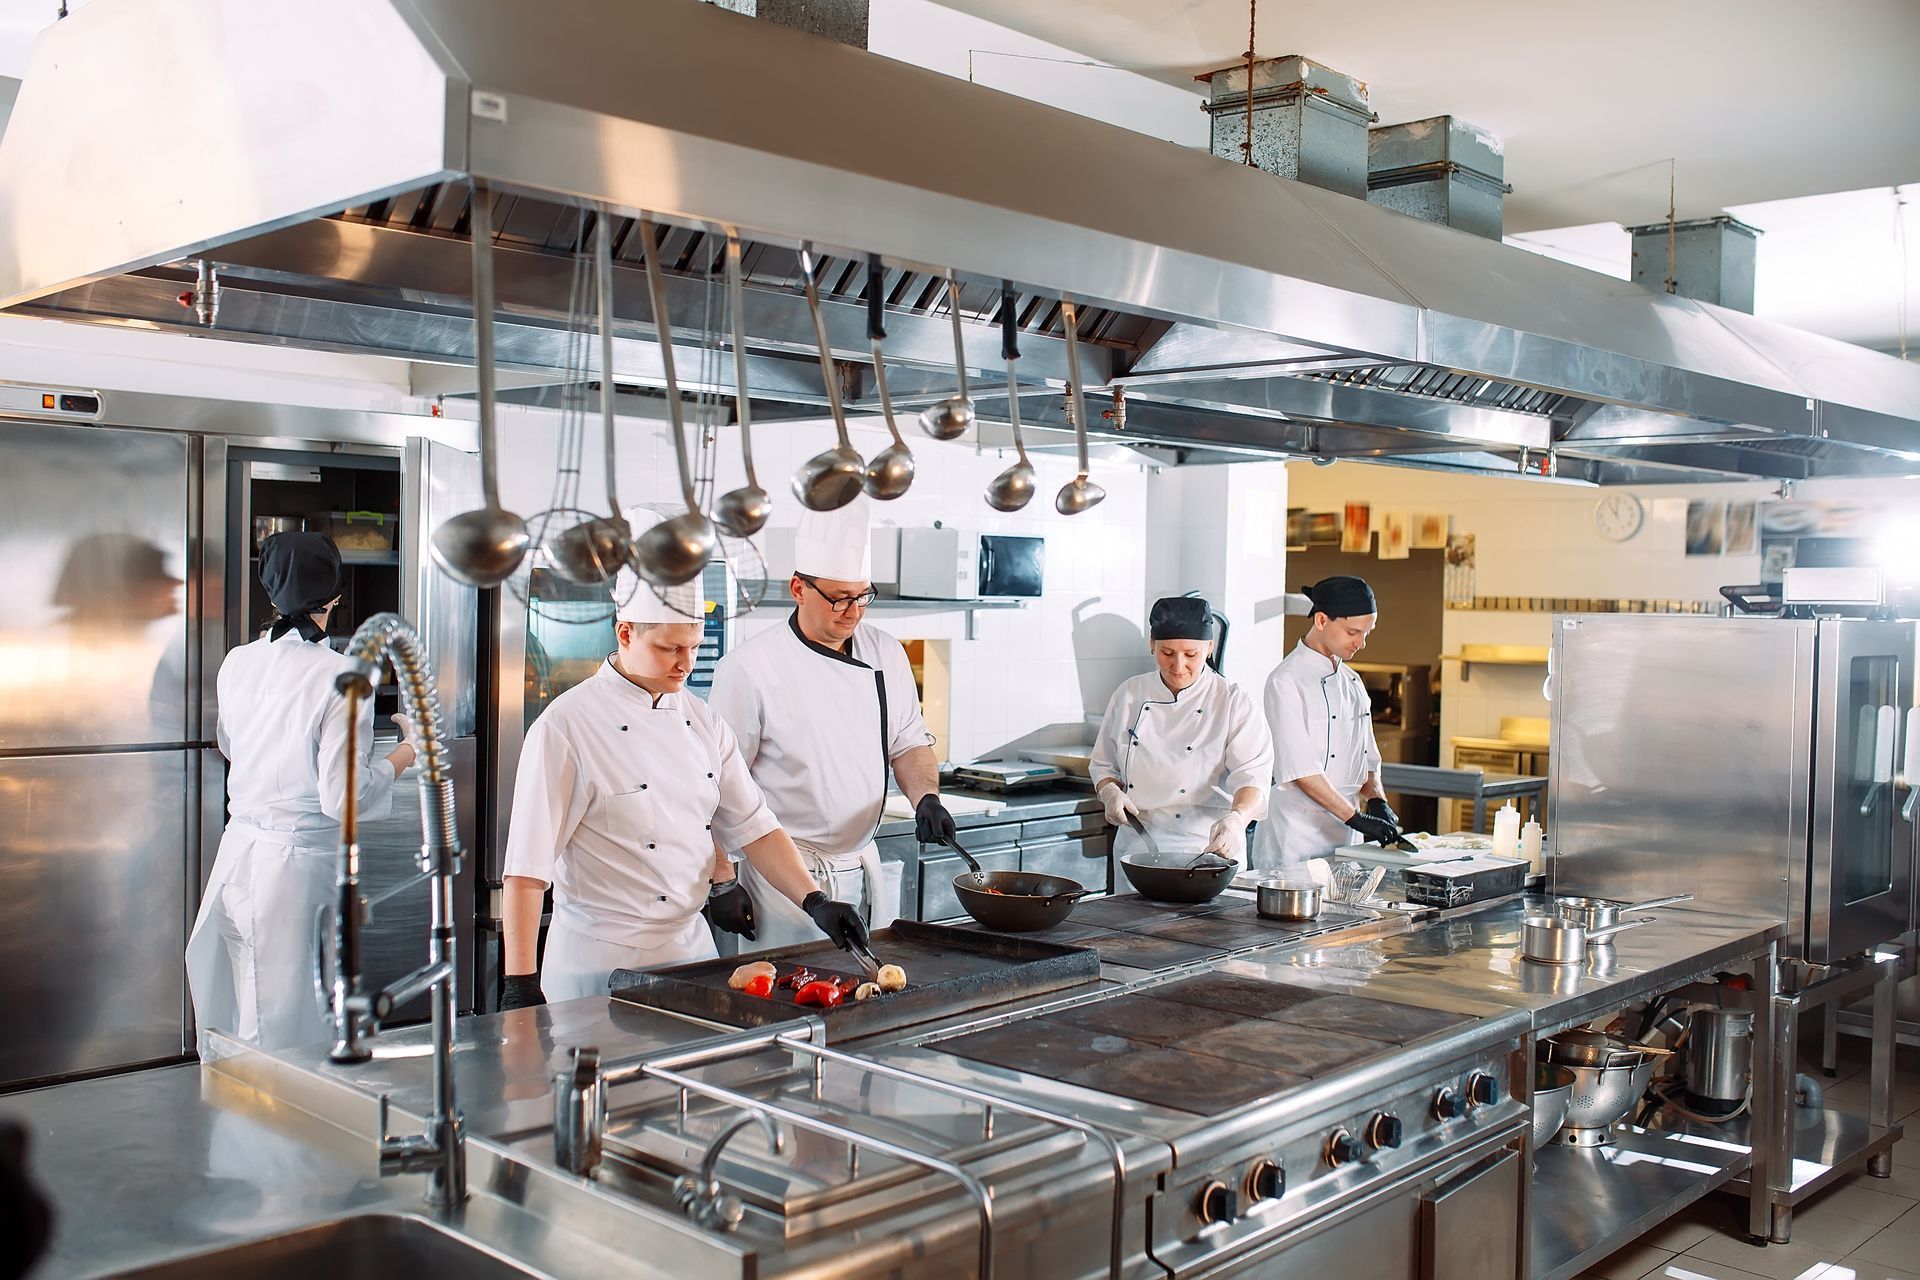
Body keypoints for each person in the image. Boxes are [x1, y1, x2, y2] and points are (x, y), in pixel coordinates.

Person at [498, 512, 869, 1007]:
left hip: (689, 954)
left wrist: (814, 901)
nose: (686, 663)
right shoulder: (565, 727)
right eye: (669, 648)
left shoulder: (702, 722)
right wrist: (519, 984)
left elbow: (755, 827)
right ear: (625, 632)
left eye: (693, 646)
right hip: (598, 963)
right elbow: (525, 871)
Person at [185, 532, 418, 1049]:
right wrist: (408, 753)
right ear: (335, 597)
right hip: (292, 875)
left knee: (236, 1025)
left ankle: (229, 1129)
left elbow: (231, 745)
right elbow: (344, 799)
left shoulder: (237, 661)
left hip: (235, 861)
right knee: (286, 1039)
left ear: (271, 595)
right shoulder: (344, 676)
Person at [709, 498, 952, 950]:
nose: (853, 611)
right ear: (798, 588)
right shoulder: (749, 668)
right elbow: (715, 786)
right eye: (839, 598)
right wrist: (721, 878)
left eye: (863, 596)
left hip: (863, 863)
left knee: (875, 995)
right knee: (797, 1001)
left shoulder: (886, 652)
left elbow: (908, 744)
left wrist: (927, 797)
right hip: (786, 879)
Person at [1090, 596, 1272, 861]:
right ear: (1152, 645)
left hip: (1209, 846)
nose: (1178, 666)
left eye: (1190, 654)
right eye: (1167, 653)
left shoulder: (1233, 702)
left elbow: (1253, 777)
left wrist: (1237, 819)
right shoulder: (1129, 694)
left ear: (1209, 647)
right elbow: (1104, 763)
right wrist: (1109, 791)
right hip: (1138, 844)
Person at [1252, 575, 1402, 870]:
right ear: (1321, 620)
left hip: (1346, 836)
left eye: (1367, 633)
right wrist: (1357, 818)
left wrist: (1376, 801)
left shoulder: (1353, 682)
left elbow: (1368, 757)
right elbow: (1301, 772)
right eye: (1353, 632)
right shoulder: (1285, 681)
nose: (1361, 643)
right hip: (1296, 836)